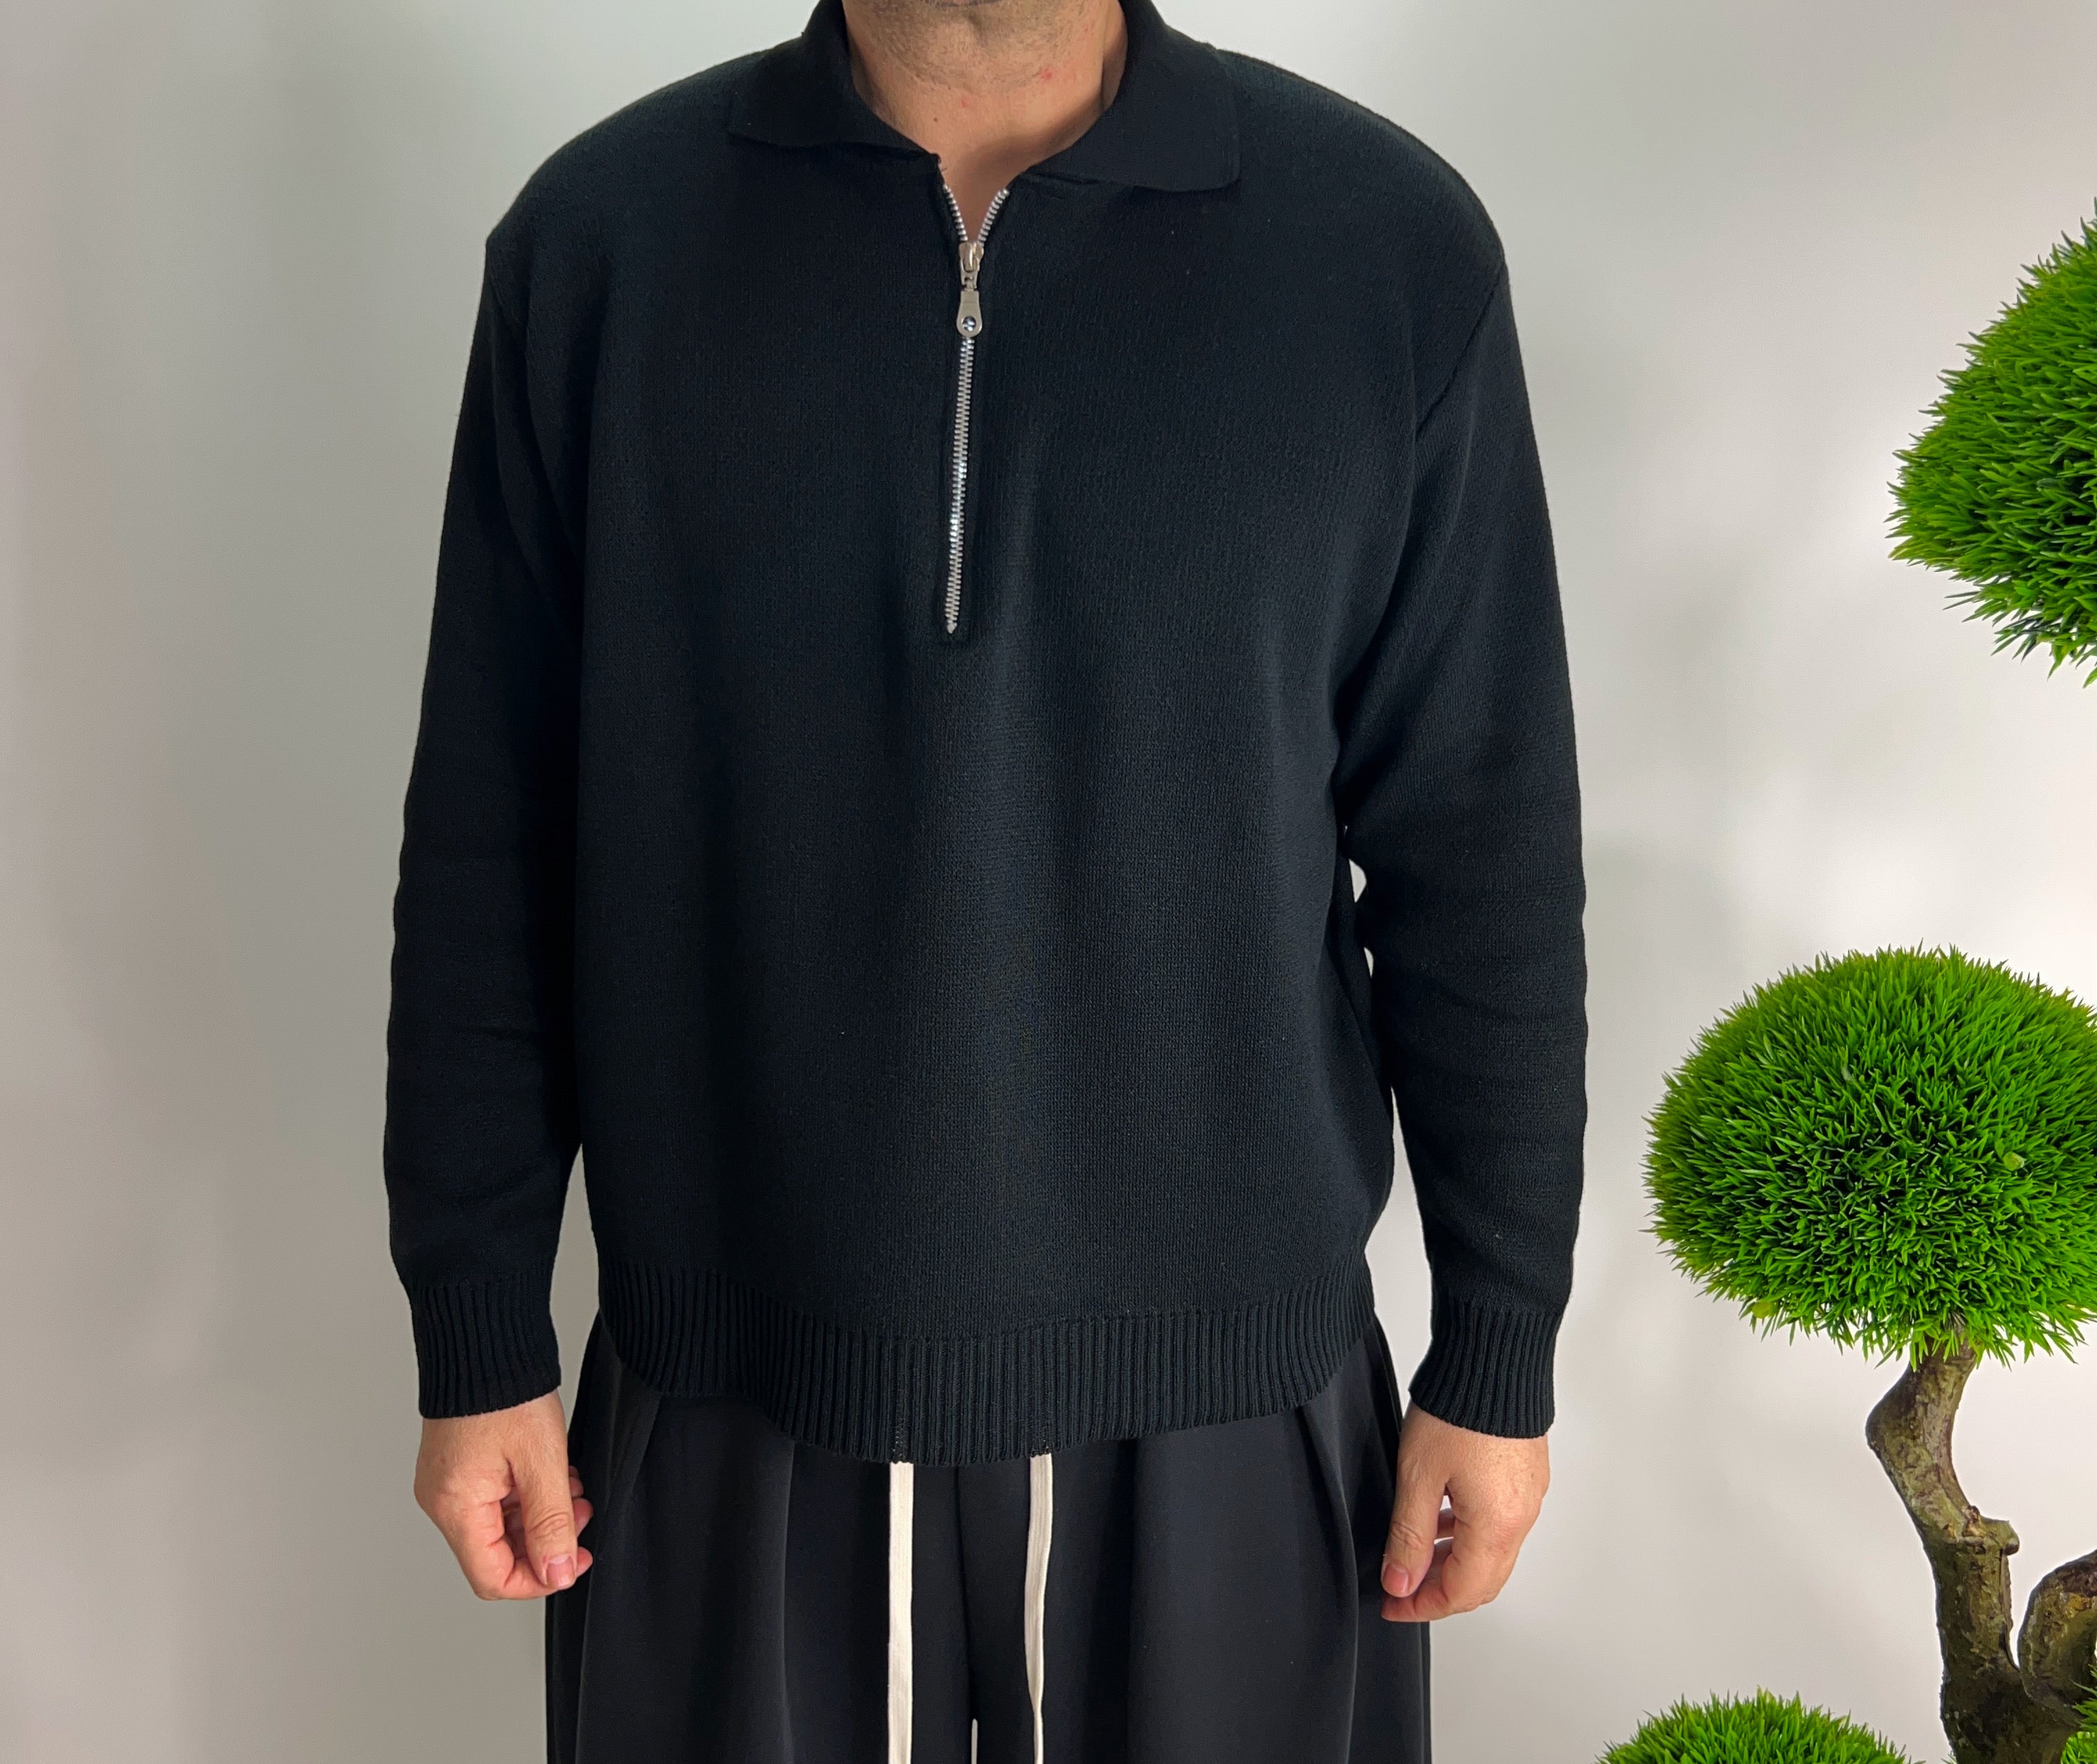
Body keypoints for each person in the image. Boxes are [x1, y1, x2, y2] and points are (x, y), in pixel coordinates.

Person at [382, 0, 1586, 1756]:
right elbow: (494, 837)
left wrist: (1498, 1343)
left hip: (1238, 1404)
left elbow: (1478, 841)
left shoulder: (1384, 248)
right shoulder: (603, 245)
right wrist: (479, 1324)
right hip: (730, 1382)